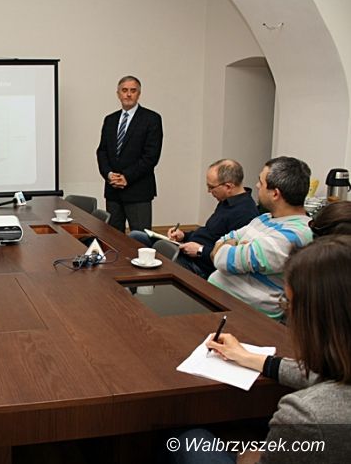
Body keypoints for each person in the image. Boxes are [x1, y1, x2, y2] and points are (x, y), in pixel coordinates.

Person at [175, 235, 351, 463]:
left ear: (316, 319)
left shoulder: (306, 415)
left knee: (186, 437)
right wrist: (249, 358)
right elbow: (319, 375)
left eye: (288, 303)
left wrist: (248, 453)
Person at [208, 156, 313, 321]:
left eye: (261, 182)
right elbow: (221, 243)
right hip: (222, 303)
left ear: (275, 193)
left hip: (250, 318)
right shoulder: (265, 218)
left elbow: (222, 259)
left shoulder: (295, 234)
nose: (256, 186)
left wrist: (230, 247)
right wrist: (233, 246)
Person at [130, 159, 259, 278]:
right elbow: (209, 232)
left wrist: (200, 251)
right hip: (187, 250)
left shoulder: (245, 213)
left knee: (149, 259)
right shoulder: (226, 201)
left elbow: (233, 257)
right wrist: (184, 235)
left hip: (199, 265)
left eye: (211, 187)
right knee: (136, 236)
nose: (208, 191)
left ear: (228, 187)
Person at [96, 75, 163, 233]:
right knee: (113, 238)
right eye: (124, 90)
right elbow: (102, 151)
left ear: (139, 94)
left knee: (140, 239)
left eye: (133, 91)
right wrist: (109, 174)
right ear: (118, 93)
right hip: (113, 191)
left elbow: (151, 156)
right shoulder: (110, 120)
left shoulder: (151, 119)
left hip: (138, 190)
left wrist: (126, 177)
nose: (128, 94)